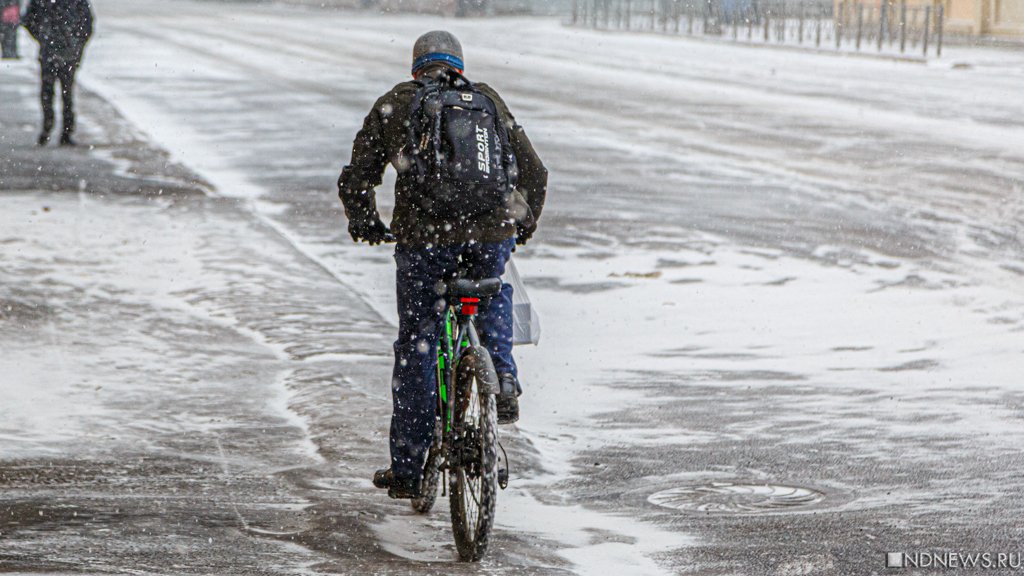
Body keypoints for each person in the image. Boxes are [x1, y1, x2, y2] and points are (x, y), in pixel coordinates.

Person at [337, 30, 547, 499]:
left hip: (424, 241)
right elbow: (533, 171)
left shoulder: (399, 103)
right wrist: (522, 223)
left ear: (417, 67)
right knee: (490, 293)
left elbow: (358, 176)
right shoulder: (486, 101)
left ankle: (409, 470)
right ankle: (504, 376)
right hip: (489, 232)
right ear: (459, 65)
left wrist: (366, 221)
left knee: (419, 342)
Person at [21, 0, 93, 146]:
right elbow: (87, 25)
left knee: (55, 92)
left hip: (58, 50)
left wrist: (44, 37)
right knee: (62, 92)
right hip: (61, 51)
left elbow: (87, 25)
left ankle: (53, 127)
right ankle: (60, 129)